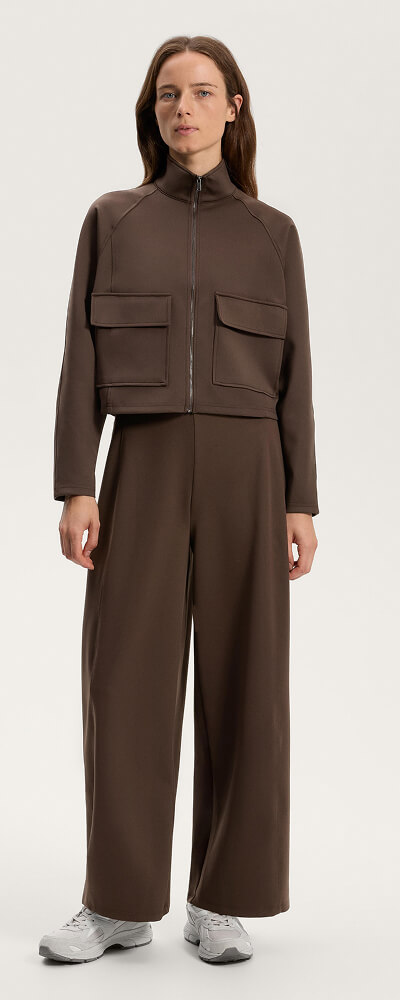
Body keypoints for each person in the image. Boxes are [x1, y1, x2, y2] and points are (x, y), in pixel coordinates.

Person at [39, 34, 319, 966]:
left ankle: (220, 901)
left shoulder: (274, 233)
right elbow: (80, 359)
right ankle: (118, 904)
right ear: (150, 111)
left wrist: (301, 500)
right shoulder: (113, 220)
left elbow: (297, 374)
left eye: (202, 92)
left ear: (234, 106)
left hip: (251, 474)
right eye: (168, 94)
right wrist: (77, 483)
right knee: (125, 681)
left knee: (247, 684)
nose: (184, 109)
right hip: (143, 465)